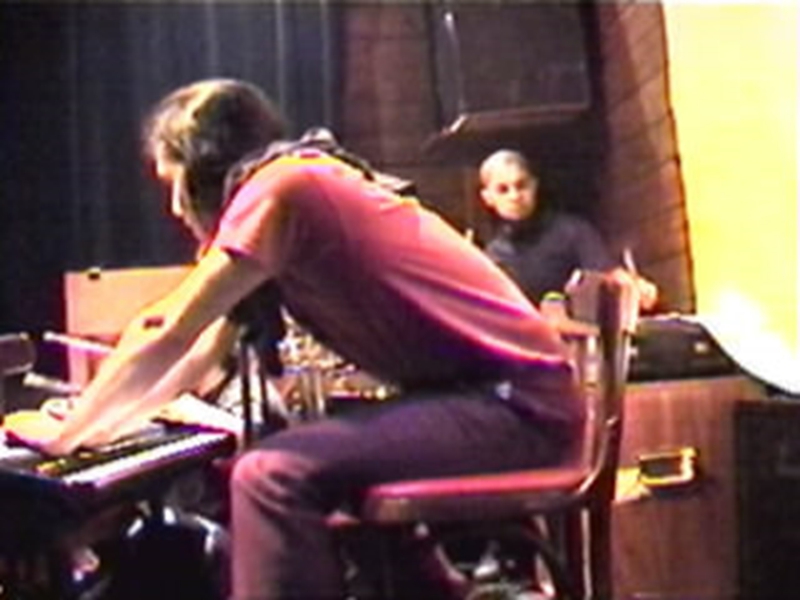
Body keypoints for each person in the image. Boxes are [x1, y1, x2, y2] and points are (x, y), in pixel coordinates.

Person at [4, 79, 586, 600]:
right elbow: (199, 352)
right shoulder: (296, 187)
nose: (176, 208)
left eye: (172, 183)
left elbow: (168, 328)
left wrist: (69, 435)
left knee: (271, 474)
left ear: (202, 164)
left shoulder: (284, 186)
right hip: (503, 402)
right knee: (311, 461)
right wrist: (103, 425)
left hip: (518, 407)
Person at [478, 149, 658, 310]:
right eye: (503, 190)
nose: (515, 196)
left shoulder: (572, 232)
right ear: (488, 198)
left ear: (534, 185)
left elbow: (607, 272)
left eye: (521, 185)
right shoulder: (492, 258)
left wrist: (635, 287)